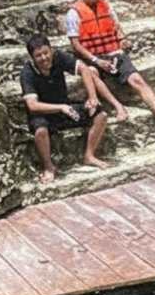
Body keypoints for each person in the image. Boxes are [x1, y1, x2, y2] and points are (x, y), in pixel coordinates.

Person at [66, 0, 155, 129]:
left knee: (136, 79)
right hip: (92, 57)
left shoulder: (106, 6)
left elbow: (117, 27)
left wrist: (123, 39)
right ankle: (118, 106)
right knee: (91, 73)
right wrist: (97, 60)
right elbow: (75, 44)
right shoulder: (73, 13)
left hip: (113, 53)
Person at [20, 33, 109, 185]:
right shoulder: (27, 73)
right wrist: (60, 107)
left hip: (65, 108)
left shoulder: (58, 57)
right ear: (32, 58)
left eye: (46, 53)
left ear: (51, 50)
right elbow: (32, 105)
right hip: (44, 112)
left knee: (101, 115)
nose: (44, 58)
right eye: (38, 55)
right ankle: (49, 167)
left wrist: (93, 98)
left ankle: (89, 155)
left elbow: (84, 69)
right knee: (40, 130)